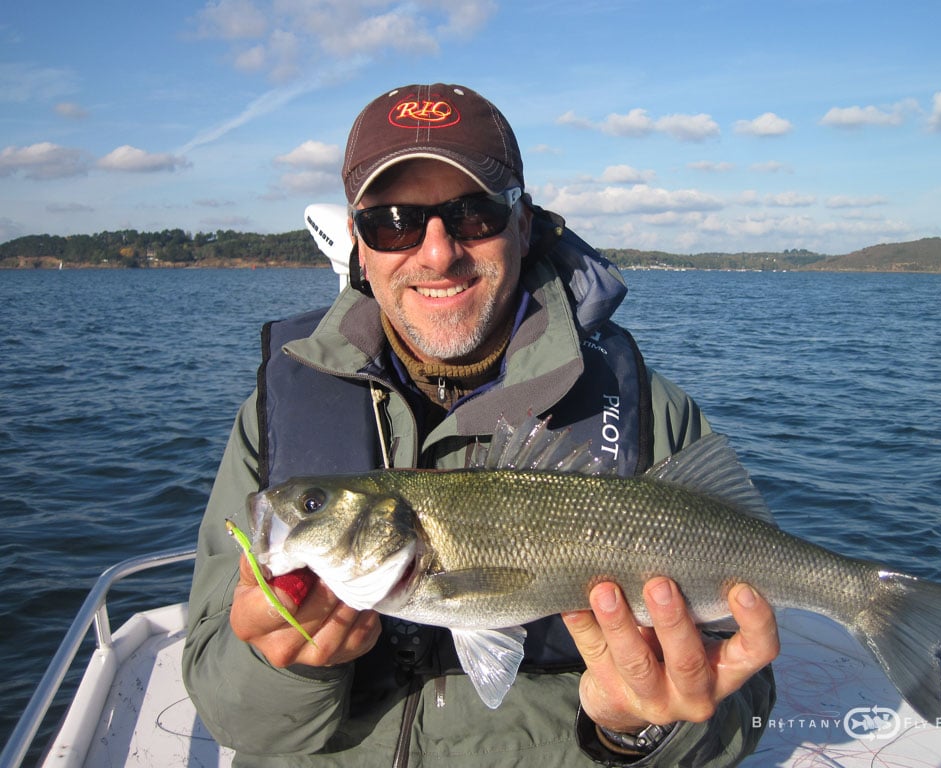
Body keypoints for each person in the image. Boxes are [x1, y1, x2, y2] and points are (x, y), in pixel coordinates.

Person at [183, 83, 778, 767]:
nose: (437, 253)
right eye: (395, 222)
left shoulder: (652, 413)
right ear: (358, 243)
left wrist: (631, 729)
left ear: (523, 225)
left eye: (473, 215)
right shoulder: (277, 411)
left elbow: (747, 709)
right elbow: (232, 717)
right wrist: (283, 667)